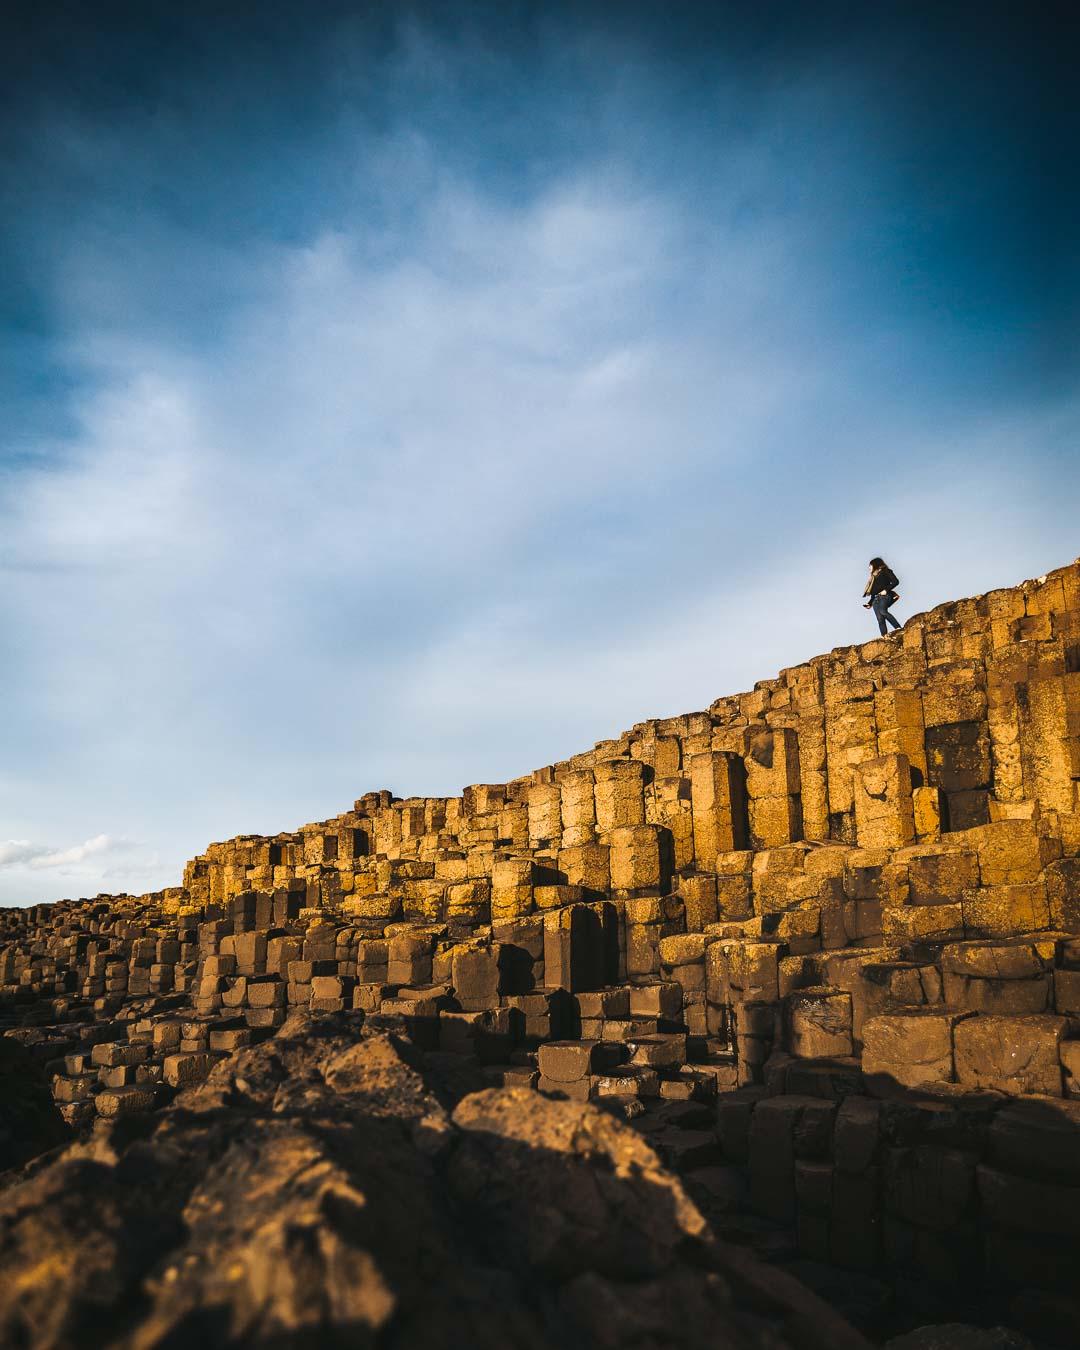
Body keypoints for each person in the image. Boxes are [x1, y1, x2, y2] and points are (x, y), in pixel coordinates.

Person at [863, 556, 902, 635]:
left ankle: (898, 628)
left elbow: (895, 581)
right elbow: (873, 592)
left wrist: (886, 590)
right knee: (880, 619)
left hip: (884, 596)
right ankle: (884, 636)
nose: (869, 567)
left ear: (875, 564)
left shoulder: (886, 571)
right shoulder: (873, 578)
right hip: (875, 600)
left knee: (883, 611)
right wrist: (870, 603)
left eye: (870, 565)